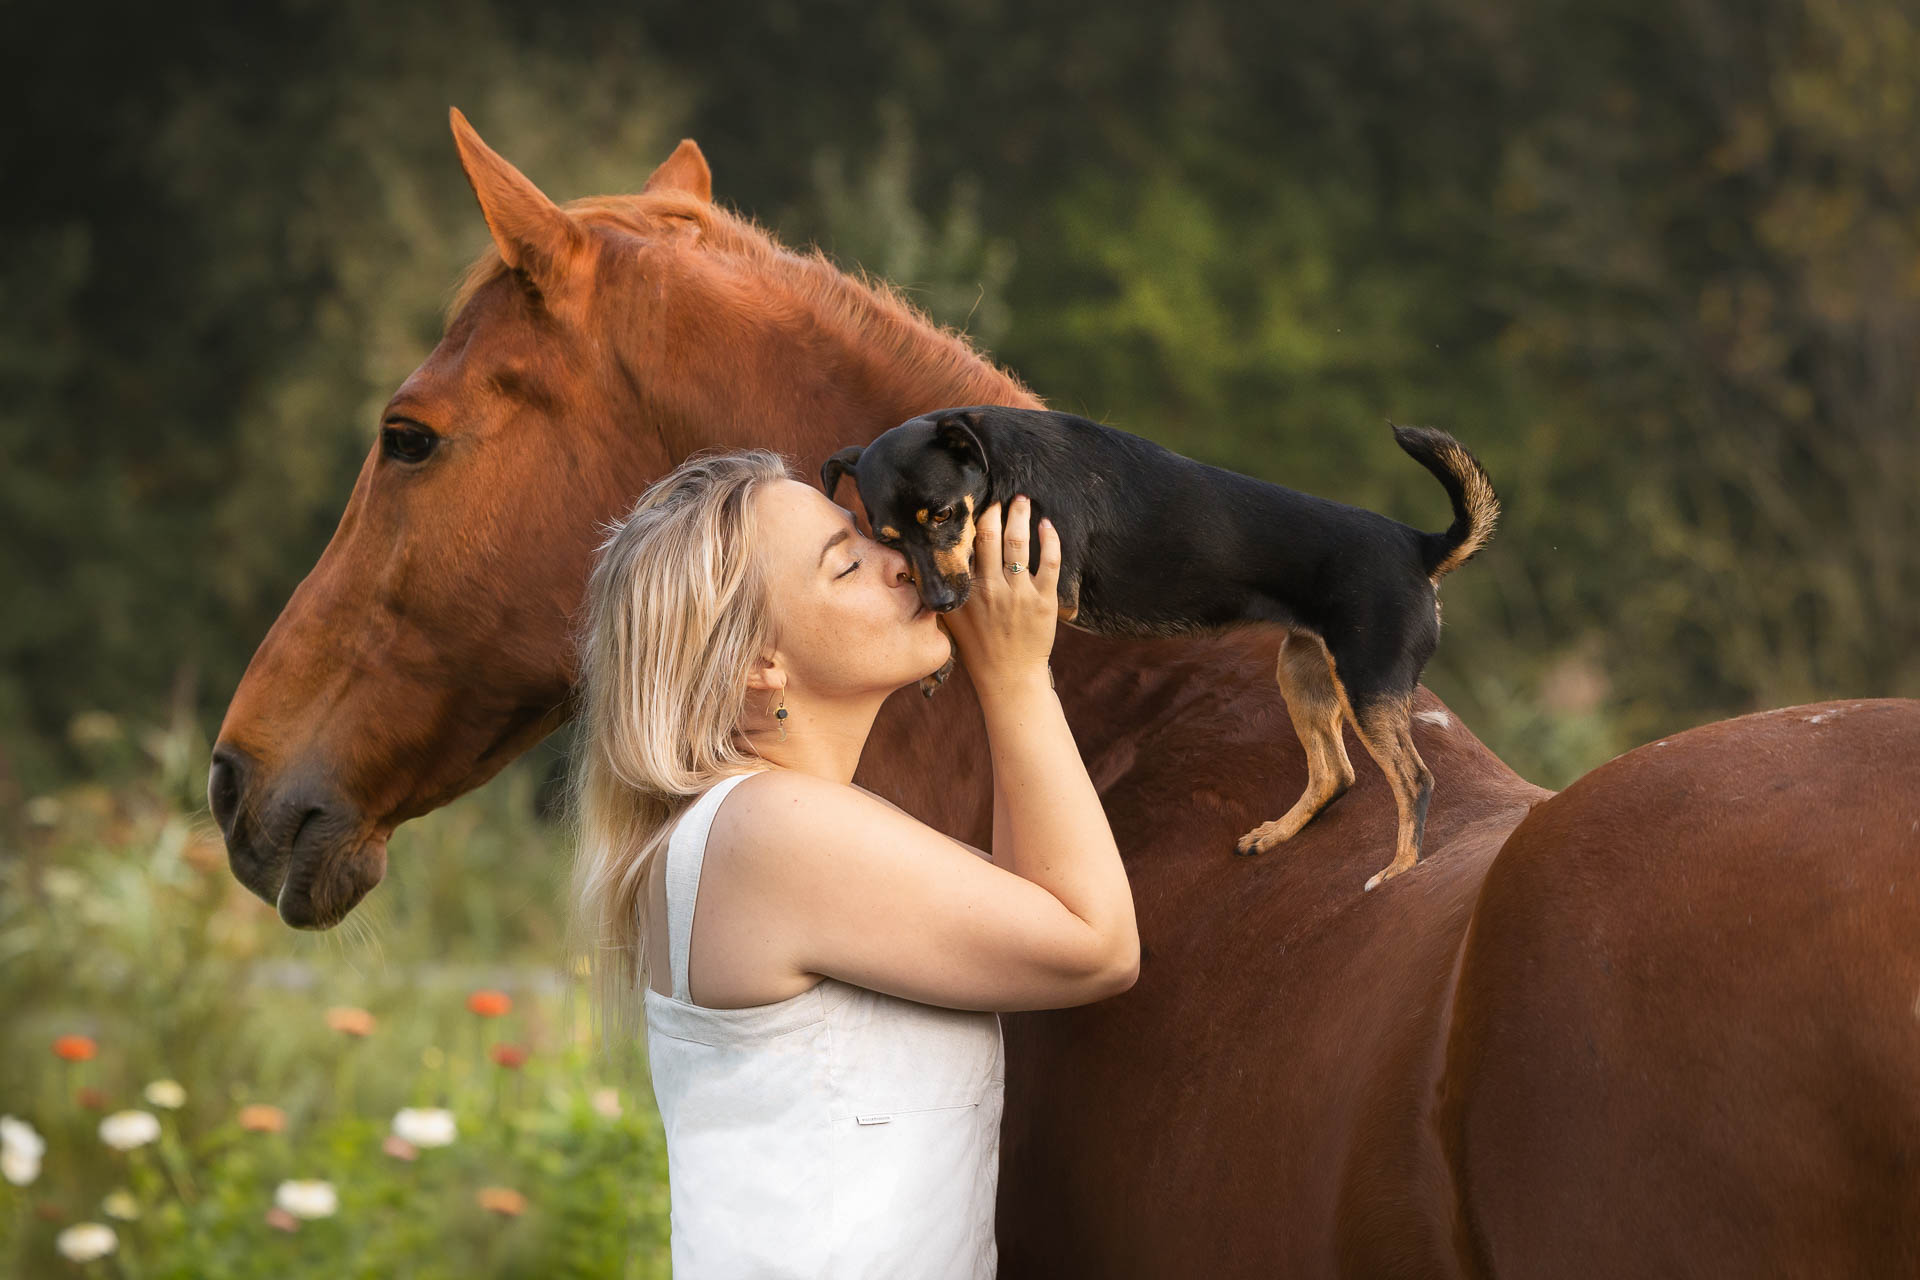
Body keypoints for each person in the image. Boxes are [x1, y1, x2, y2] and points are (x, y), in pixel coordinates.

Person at [569, 448, 1139, 1278]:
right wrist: (1014, 675)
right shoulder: (769, 828)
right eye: (849, 566)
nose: (902, 562)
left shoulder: (762, 827)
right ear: (759, 665)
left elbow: (1037, 907)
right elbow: (1093, 942)